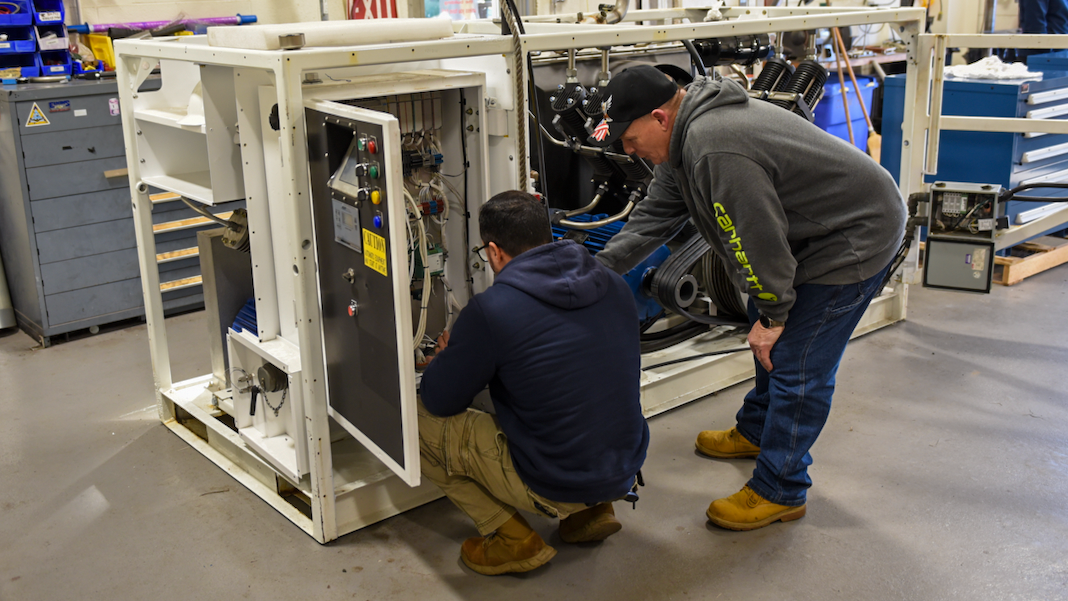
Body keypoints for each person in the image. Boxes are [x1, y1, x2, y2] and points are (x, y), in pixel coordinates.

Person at [589, 64, 906, 531]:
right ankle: (758, 429)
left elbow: (756, 238)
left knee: (797, 364)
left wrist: (776, 315)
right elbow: (654, 217)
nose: (627, 149)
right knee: (766, 326)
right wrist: (593, 273)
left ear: (658, 118)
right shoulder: (682, 140)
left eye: (628, 138)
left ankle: (781, 489)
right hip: (810, 235)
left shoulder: (716, 145)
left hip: (853, 236)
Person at [419, 190, 649, 575]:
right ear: (548, 236)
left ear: (493, 251)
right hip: (622, 468)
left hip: (553, 480)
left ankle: (511, 538)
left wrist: (446, 358)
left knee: (413, 421)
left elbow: (440, 400)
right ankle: (589, 514)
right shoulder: (613, 283)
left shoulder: (493, 310)